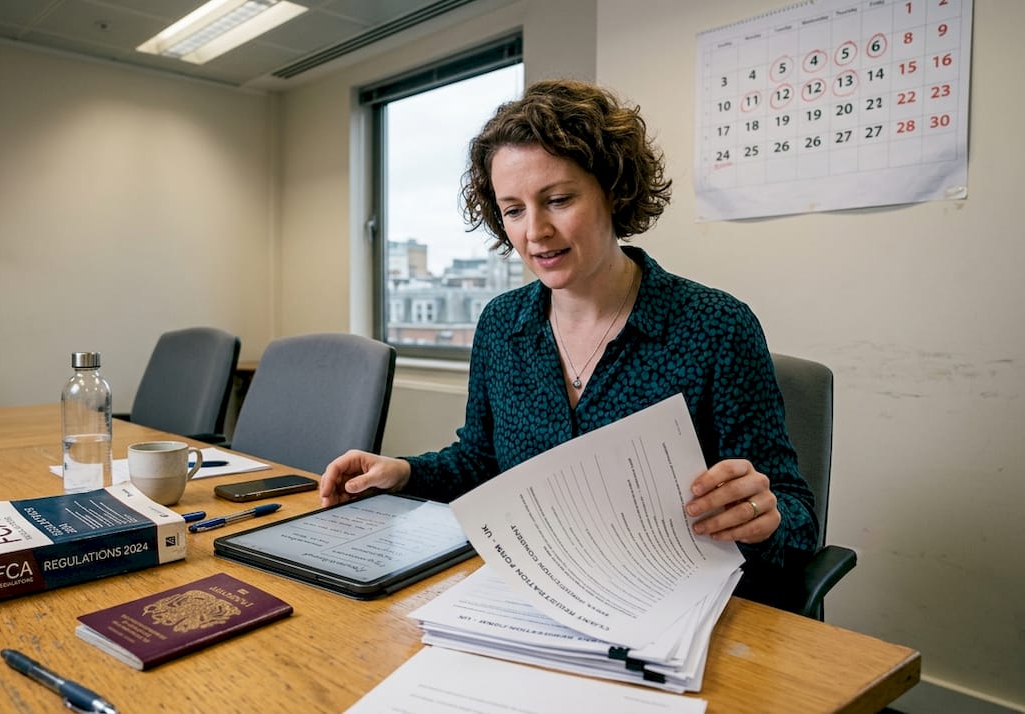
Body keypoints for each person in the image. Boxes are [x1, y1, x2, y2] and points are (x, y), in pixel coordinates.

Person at [320, 79, 817, 590]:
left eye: (557, 200)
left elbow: (798, 515)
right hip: (538, 588)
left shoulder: (716, 326)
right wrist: (402, 472)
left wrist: (764, 517)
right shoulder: (502, 325)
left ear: (614, 191)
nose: (535, 232)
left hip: (676, 594)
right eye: (513, 210)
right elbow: (482, 462)